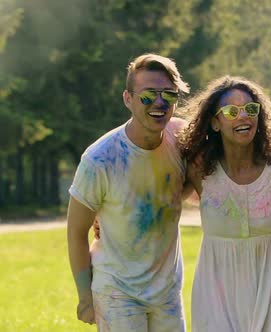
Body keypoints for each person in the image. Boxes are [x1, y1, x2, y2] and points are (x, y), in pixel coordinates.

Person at [178, 76, 271, 331]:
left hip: (270, 296)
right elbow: (161, 203)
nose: (244, 117)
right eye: (232, 111)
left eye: (251, 109)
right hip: (214, 299)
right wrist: (103, 217)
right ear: (215, 123)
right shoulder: (198, 170)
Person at [67, 53, 192, 331]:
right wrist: (84, 296)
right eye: (148, 96)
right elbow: (76, 232)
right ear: (128, 99)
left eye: (168, 95)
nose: (159, 103)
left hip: (167, 294)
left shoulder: (180, 140)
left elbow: (185, 186)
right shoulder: (100, 159)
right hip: (117, 293)